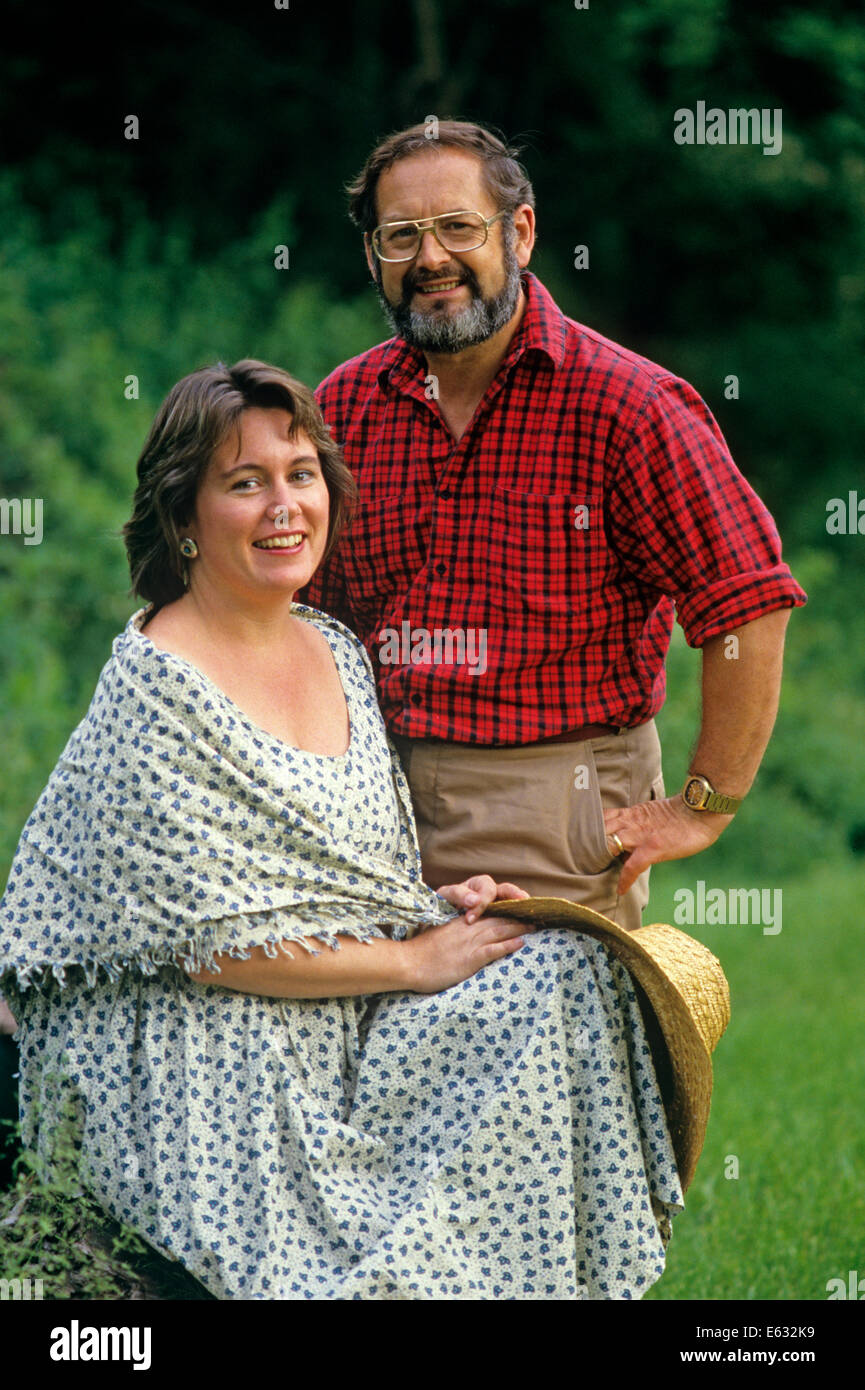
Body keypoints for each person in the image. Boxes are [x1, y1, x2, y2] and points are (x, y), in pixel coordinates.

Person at [0, 360, 693, 1300]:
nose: (285, 505)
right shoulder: (155, 687)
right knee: (344, 1229)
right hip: (208, 1039)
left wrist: (430, 912)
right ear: (183, 519)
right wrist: (415, 963)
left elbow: (346, 877)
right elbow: (211, 949)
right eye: (244, 483)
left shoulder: (333, 647)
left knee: (564, 967)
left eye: (301, 473)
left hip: (345, 1008)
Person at [302, 120, 808, 932]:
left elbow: (747, 601)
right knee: (366, 1056)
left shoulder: (628, 406)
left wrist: (705, 803)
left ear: (521, 232)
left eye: (458, 228)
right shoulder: (341, 408)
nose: (430, 258)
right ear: (373, 258)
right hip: (364, 805)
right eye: (401, 237)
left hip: (552, 806)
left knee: (538, 1053)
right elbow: (298, 622)